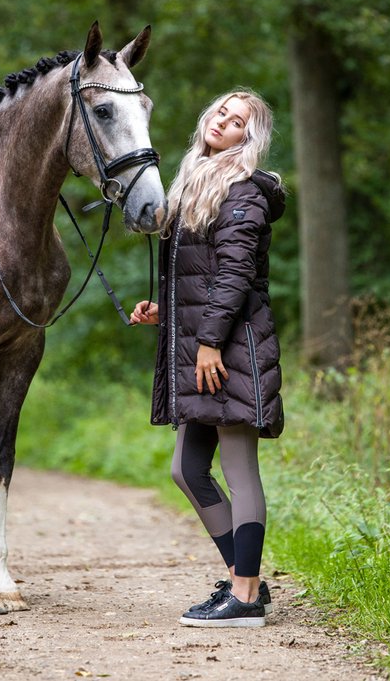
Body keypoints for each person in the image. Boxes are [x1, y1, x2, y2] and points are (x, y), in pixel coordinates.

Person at [130, 88, 285, 628]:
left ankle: (243, 598)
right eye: (221, 111)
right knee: (187, 468)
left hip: (230, 349)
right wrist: (166, 311)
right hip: (206, 345)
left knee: (239, 471)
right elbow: (199, 277)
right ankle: (247, 581)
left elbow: (234, 275)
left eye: (238, 119)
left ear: (249, 137)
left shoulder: (244, 192)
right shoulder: (197, 180)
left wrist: (211, 340)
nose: (224, 120)